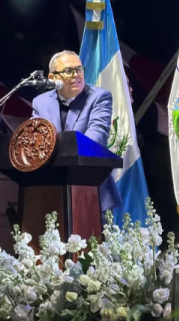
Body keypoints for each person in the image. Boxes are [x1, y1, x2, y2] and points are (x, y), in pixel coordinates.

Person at [30, 50, 122, 211]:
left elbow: (96, 137)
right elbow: (35, 139)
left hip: (92, 190)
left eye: (79, 69)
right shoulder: (40, 102)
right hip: (51, 191)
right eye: (68, 71)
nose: (76, 75)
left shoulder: (99, 97)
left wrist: (55, 150)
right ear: (52, 78)